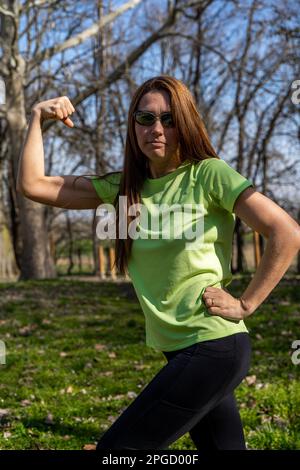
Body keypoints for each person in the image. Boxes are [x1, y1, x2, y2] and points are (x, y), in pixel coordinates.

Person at [16, 75, 300, 450]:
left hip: (213, 347)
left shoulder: (208, 174)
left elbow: (286, 231)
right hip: (180, 351)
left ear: (185, 124)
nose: (157, 129)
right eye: (145, 118)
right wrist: (37, 117)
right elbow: (34, 184)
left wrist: (247, 303)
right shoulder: (124, 189)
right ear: (133, 124)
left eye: (169, 119)